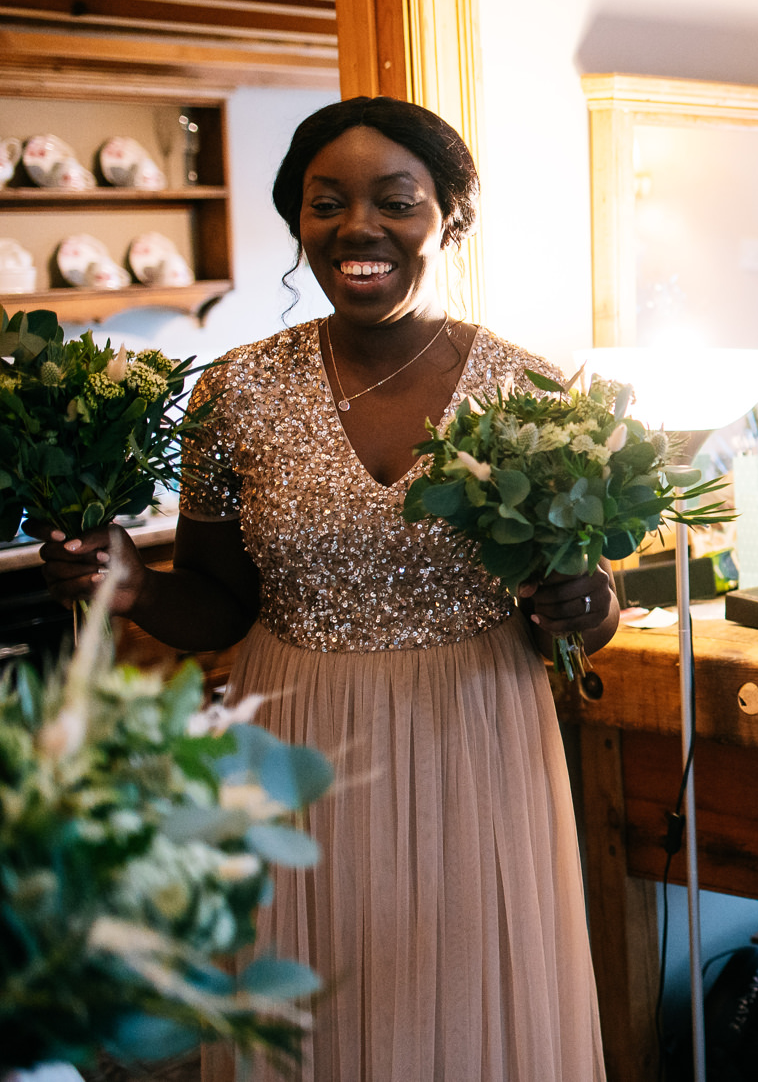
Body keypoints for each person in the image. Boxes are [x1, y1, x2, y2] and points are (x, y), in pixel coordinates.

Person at [39, 97, 608, 1081]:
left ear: (450, 218)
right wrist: (126, 587)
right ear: (296, 221)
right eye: (325, 201)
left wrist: (583, 602)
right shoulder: (235, 392)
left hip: (473, 735)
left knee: (465, 992)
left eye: (395, 200)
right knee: (314, 1009)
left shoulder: (529, 390)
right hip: (299, 739)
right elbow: (218, 600)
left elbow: (584, 607)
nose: (358, 228)